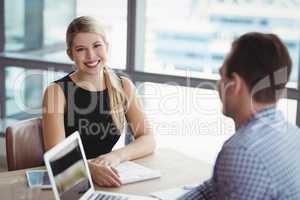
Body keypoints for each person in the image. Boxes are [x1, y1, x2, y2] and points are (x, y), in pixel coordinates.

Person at [178, 32, 300, 199]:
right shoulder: (292, 134)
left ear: (234, 85)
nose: (218, 85)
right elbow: (214, 187)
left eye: (221, 76)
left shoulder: (242, 152)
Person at [42, 16, 156, 187]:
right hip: (68, 181)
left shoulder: (123, 85)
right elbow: (56, 154)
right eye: (81, 49)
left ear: (106, 47)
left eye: (97, 46)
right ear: (70, 54)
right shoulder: (56, 92)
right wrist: (88, 168)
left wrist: (116, 156)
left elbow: (148, 138)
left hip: (103, 178)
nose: (91, 55)